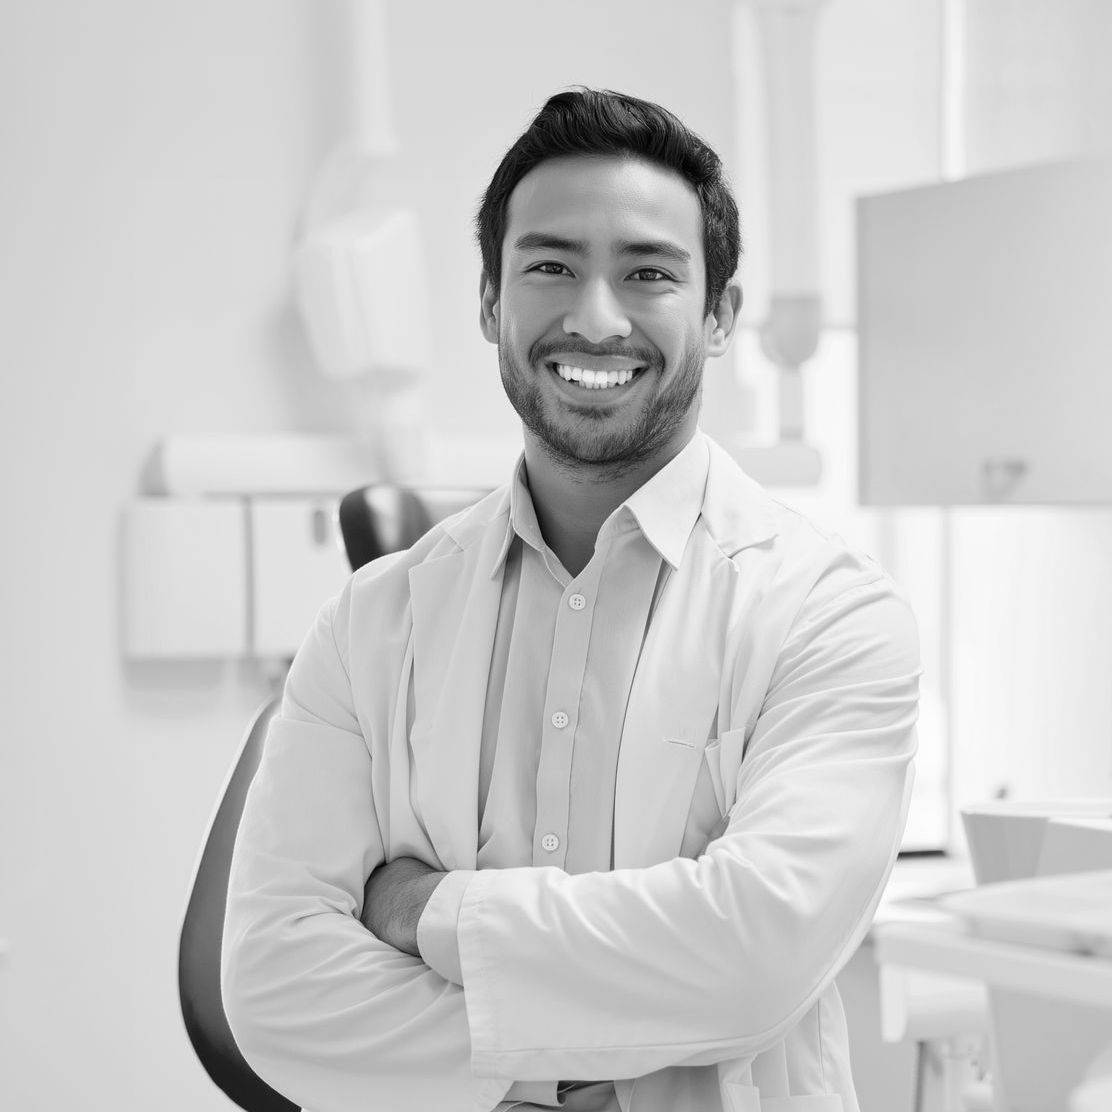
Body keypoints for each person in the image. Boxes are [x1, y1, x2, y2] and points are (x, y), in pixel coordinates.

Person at [222, 88, 919, 1112]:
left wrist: (428, 910)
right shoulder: (373, 622)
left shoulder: (830, 615)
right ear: (488, 302)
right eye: (549, 265)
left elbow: (752, 957)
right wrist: (584, 1062)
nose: (594, 316)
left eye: (647, 273)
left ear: (720, 315)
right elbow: (275, 987)